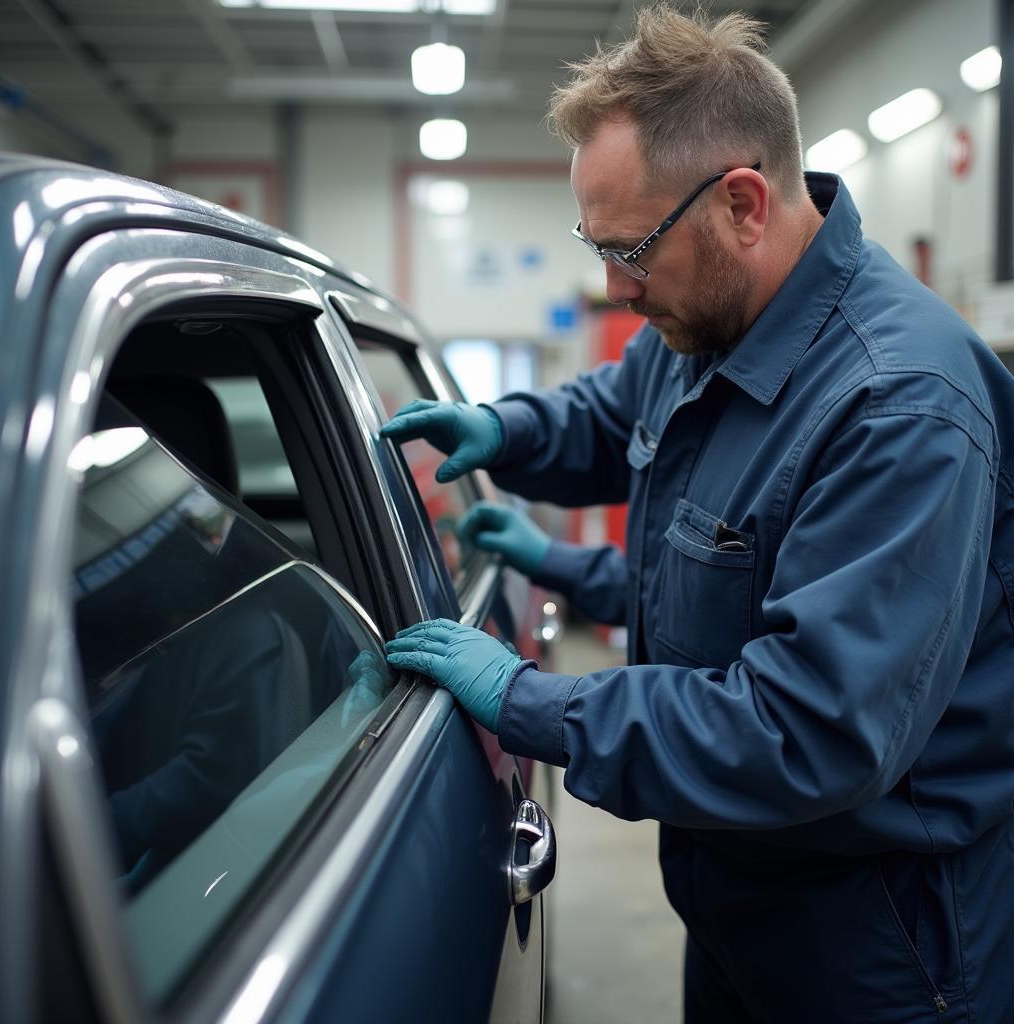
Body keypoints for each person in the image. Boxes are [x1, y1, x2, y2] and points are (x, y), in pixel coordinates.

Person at [383, 6, 1014, 1021]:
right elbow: (616, 408)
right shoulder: (709, 321)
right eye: (596, 244)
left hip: (877, 948)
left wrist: (533, 703)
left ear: (743, 205)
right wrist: (503, 429)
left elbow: (804, 728)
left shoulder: (898, 405)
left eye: (629, 248)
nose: (613, 286)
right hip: (740, 904)